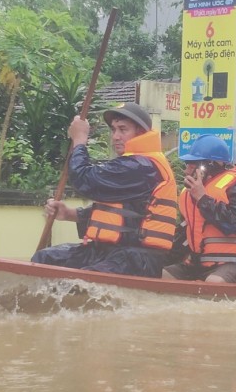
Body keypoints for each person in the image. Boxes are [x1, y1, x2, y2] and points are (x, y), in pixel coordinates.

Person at [31, 102, 178, 277]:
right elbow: (124, 213)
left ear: (141, 133)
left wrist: (79, 140)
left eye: (123, 130)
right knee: (45, 258)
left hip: (136, 258)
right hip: (107, 251)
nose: (115, 136)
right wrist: (71, 214)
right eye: (114, 130)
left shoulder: (142, 166)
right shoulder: (130, 163)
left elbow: (84, 178)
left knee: (81, 281)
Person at [163, 135, 236, 284]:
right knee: (161, 274)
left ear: (208, 166)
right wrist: (160, 259)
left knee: (214, 282)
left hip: (235, 264)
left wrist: (203, 199)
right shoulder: (189, 194)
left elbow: (235, 223)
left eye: (191, 166)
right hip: (197, 264)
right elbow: (184, 236)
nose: (186, 171)